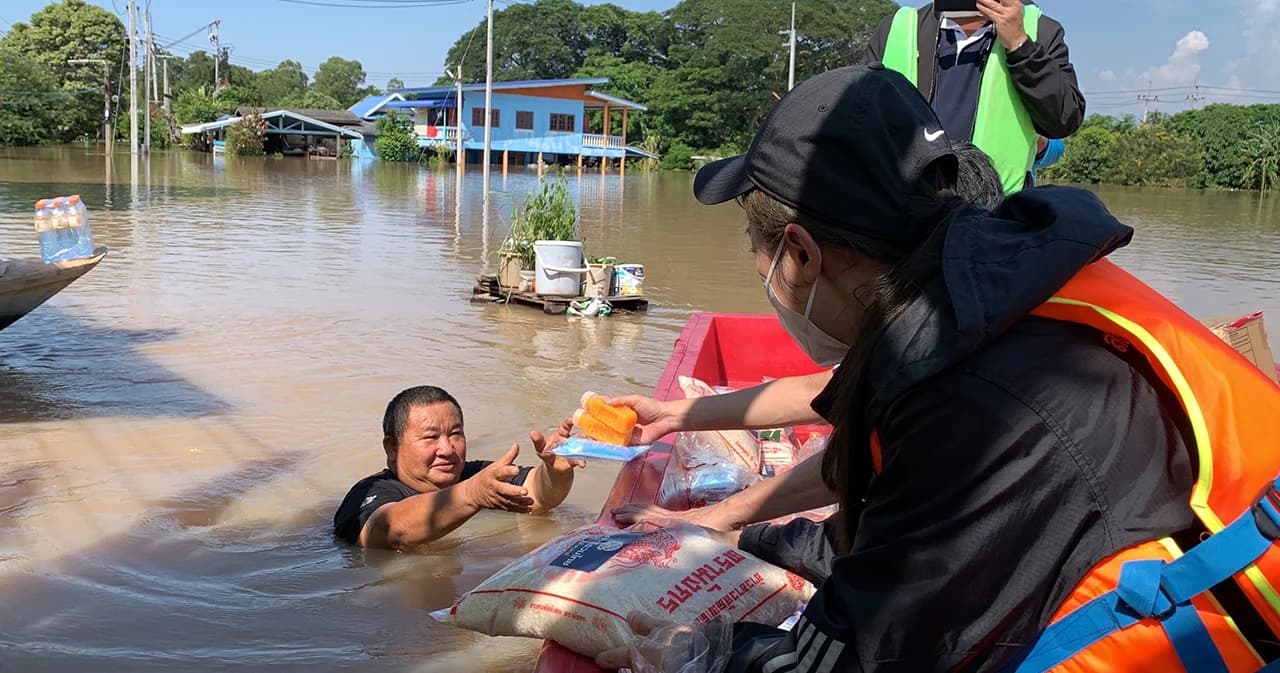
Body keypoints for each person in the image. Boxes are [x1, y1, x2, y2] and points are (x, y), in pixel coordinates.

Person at [595, 64, 1280, 672]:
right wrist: (749, 532)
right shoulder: (995, 294)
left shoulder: (969, 403)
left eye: (756, 247)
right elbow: (899, 527)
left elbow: (856, 648)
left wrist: (698, 648)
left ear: (798, 255)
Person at [609, 142, 1003, 532]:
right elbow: (831, 400)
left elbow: (865, 546)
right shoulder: (960, 318)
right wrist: (671, 416)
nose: (758, 267)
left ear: (801, 254)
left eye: (753, 247)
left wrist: (730, 532)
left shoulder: (957, 384)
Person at [864, 0, 1084, 194]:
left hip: (993, 216)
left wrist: (1019, 44)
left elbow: (1064, 119)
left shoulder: (1041, 31)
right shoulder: (897, 28)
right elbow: (855, 114)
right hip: (900, 208)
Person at [333, 386, 583, 550]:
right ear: (392, 448)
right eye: (430, 438)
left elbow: (538, 496)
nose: (447, 449)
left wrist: (556, 471)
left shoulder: (475, 478)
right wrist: (472, 495)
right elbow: (391, 529)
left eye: (455, 434)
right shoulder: (368, 492)